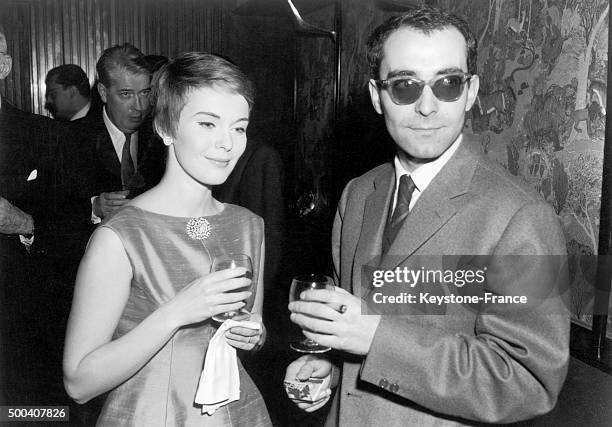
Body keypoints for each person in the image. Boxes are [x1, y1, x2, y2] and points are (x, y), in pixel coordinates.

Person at [285, 7, 569, 426]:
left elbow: (528, 382)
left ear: (471, 92)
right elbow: (361, 327)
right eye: (404, 86)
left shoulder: (521, 217)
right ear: (375, 96)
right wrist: (335, 370)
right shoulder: (360, 194)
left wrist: (376, 339)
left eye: (448, 83)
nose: (427, 107)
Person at [63, 52, 272, 426]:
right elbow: (79, 382)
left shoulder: (248, 225)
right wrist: (176, 313)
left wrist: (253, 335)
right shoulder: (120, 236)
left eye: (239, 127)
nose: (227, 143)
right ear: (165, 128)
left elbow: (251, 332)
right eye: (208, 123)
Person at [0, 25, 94, 412]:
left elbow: (76, 233)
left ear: (4, 66)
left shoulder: (47, 137)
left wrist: (23, 225)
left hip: (22, 335)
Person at [77, 43, 165, 222]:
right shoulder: (72, 139)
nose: (139, 107)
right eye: (126, 94)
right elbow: (54, 210)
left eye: (144, 93)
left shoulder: (162, 137)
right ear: (103, 92)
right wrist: (94, 207)